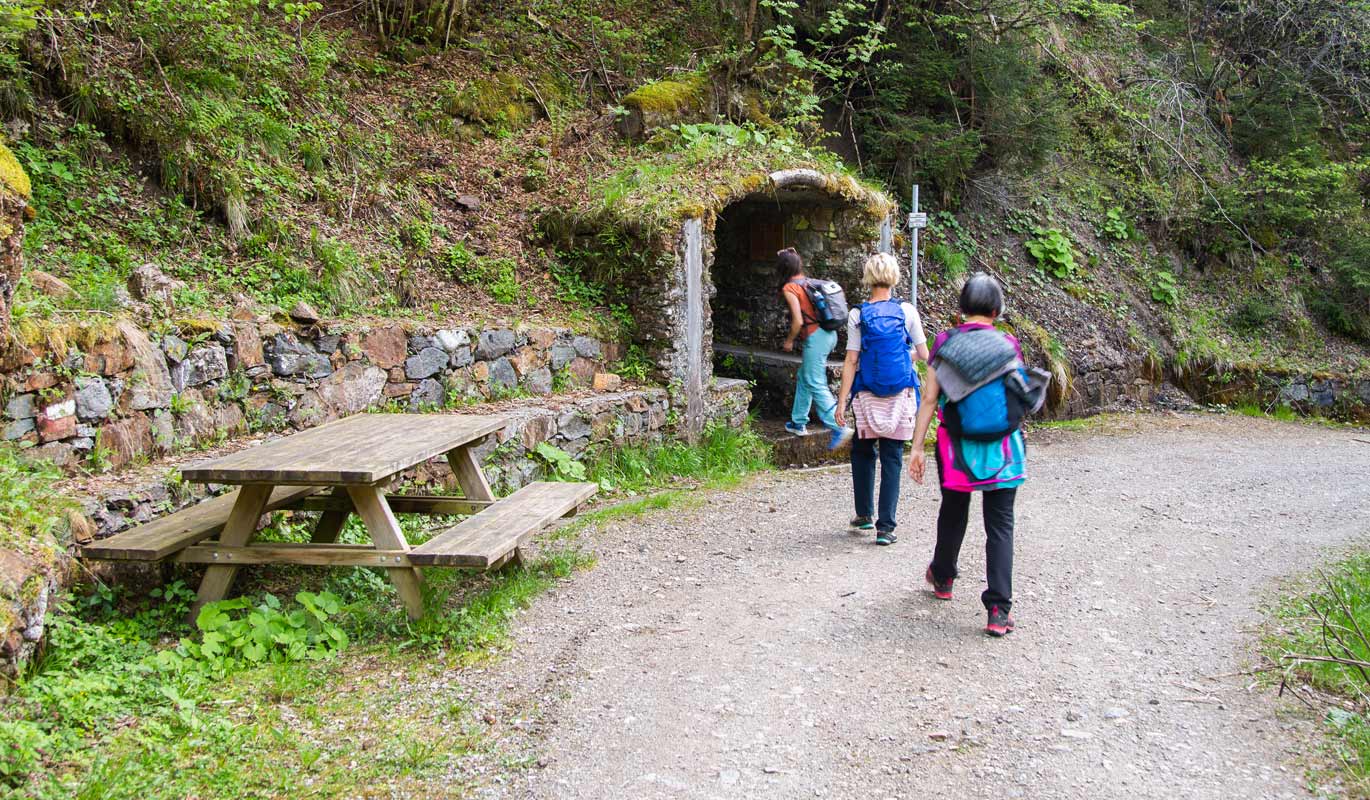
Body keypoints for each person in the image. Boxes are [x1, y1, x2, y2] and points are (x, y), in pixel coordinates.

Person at [908, 273, 1029, 637]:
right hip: (1003, 448)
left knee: (954, 511)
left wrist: (916, 447)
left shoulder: (944, 342)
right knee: (1000, 523)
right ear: (997, 309)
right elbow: (1019, 396)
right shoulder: (1009, 344)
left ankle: (943, 578)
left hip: (956, 446)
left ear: (961, 309)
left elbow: (929, 398)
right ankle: (997, 610)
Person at [834, 253, 929, 546]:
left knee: (862, 452)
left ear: (867, 278)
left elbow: (851, 360)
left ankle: (864, 513)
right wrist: (904, 355)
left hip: (866, 394)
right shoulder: (907, 311)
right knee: (892, 457)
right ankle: (885, 528)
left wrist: (841, 401)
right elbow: (924, 354)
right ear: (895, 277)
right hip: (901, 393)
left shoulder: (857, 315)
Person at [778, 247, 852, 450]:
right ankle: (798, 422)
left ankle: (838, 426)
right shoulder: (810, 283)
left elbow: (797, 321)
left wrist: (789, 341)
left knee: (814, 380)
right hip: (830, 335)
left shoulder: (790, 288)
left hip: (815, 338)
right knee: (805, 376)